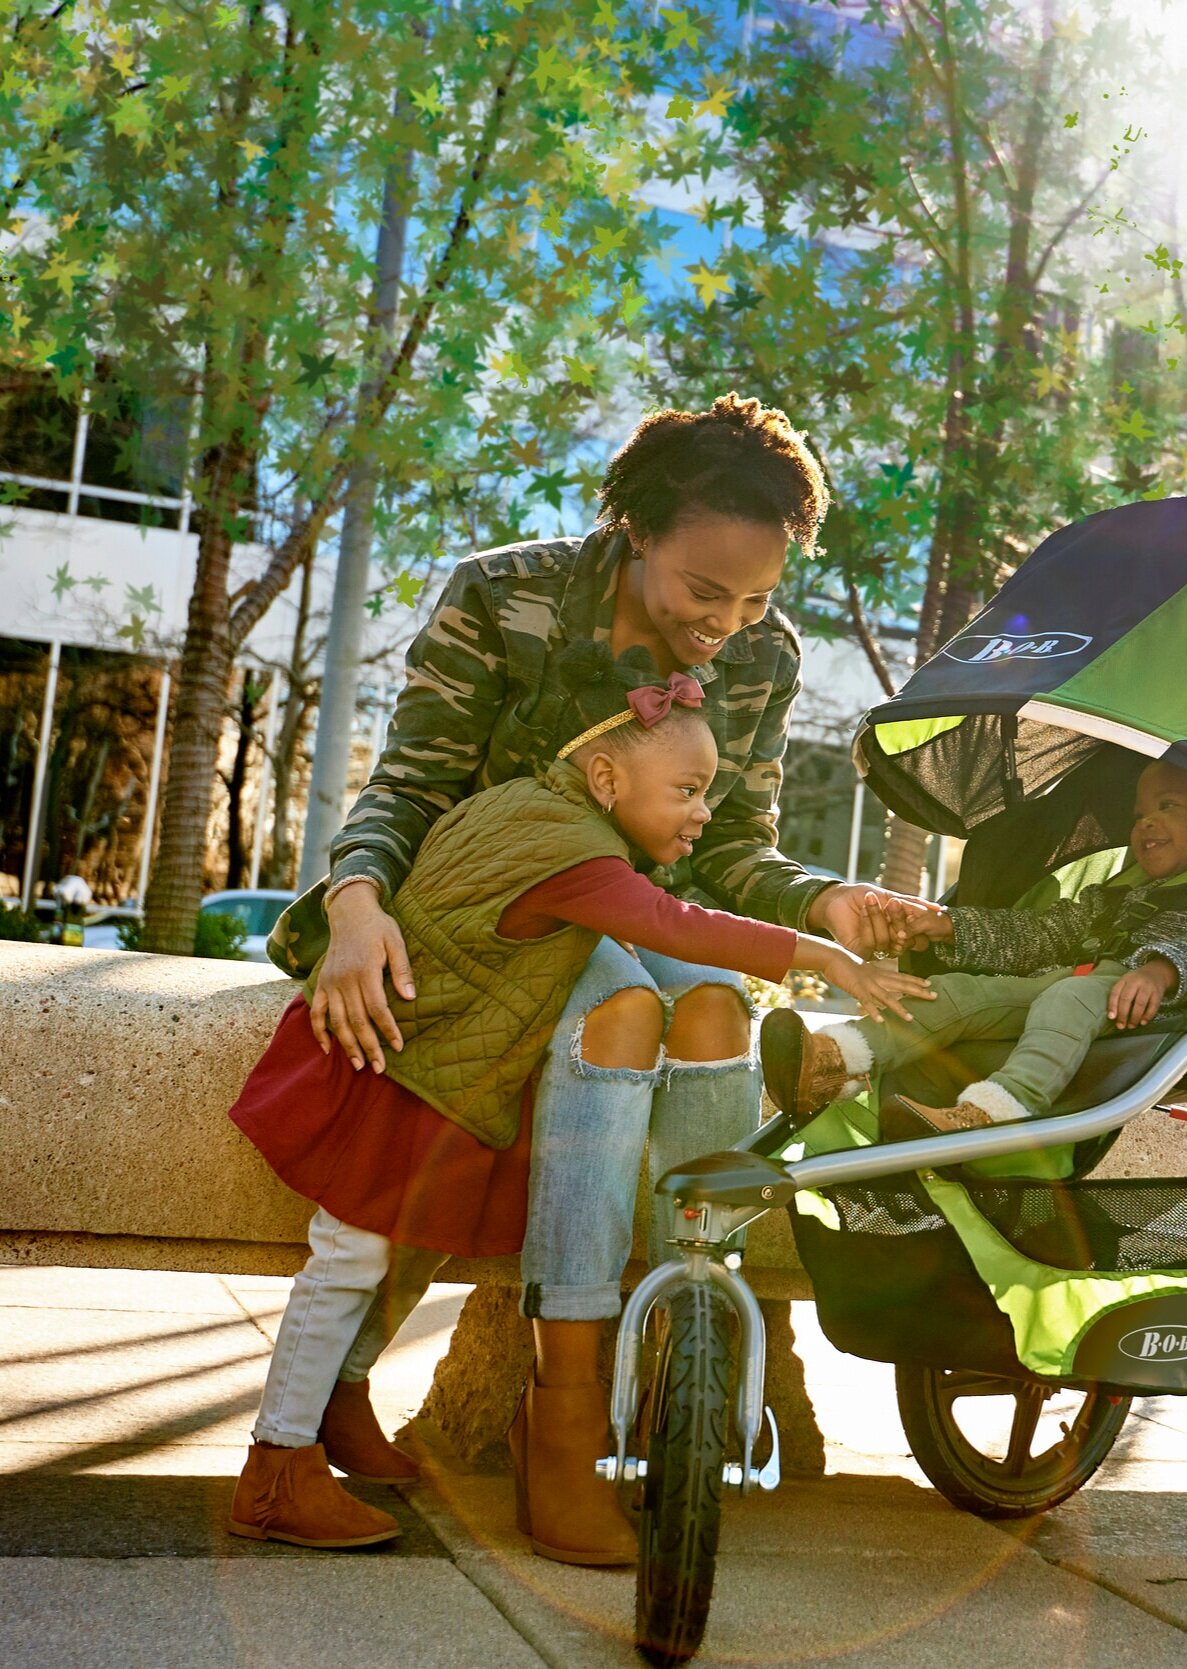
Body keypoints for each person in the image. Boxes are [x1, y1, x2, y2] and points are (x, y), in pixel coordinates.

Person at [262, 394, 938, 1562]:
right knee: (620, 1009)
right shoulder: (502, 595)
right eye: (702, 591)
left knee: (717, 1007)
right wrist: (354, 906)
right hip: (496, 923)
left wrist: (820, 901)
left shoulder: (762, 657)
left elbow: (730, 849)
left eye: (758, 599)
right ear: (633, 528)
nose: (727, 624)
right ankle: (560, 1413)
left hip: (643, 915)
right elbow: (408, 789)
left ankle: (680, 1356)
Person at [761, 760, 1187, 1139]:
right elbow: (1041, 933)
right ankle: (833, 1062)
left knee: (1066, 998)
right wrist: (950, 926)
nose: (1145, 824)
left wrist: (1158, 971)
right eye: (1140, 814)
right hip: (1072, 985)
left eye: (1167, 807)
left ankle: (997, 1110)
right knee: (952, 993)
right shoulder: (1118, 893)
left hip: (1151, 1004)